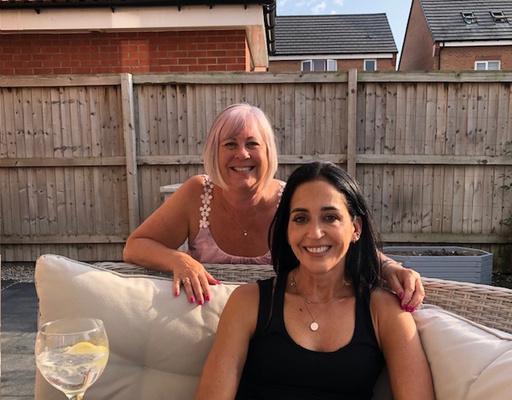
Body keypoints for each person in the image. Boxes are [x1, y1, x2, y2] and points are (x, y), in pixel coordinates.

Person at [191, 161, 438, 400]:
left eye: (330, 217)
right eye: (300, 218)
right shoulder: (249, 301)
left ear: (355, 228)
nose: (314, 233)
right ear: (287, 229)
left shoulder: (383, 310)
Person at [123, 103, 424, 311]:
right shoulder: (196, 192)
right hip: (205, 321)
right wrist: (179, 260)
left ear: (268, 152)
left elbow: (340, 240)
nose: (242, 154)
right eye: (230, 144)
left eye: (252, 144)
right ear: (214, 152)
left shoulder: (291, 198)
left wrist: (390, 267)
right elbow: (135, 246)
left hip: (276, 324)